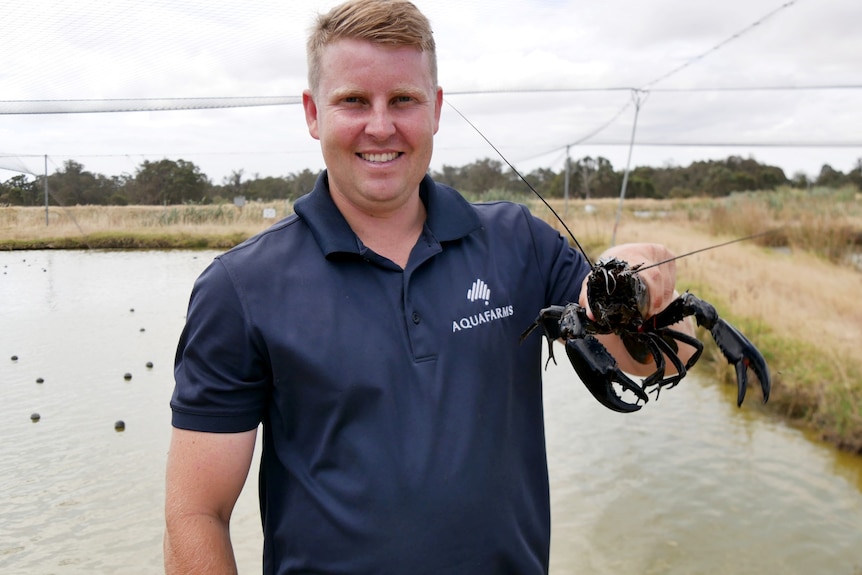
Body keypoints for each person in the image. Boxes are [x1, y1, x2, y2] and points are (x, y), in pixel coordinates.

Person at [163, 1, 694, 573]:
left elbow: (660, 360)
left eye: (404, 100)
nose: (381, 125)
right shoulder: (240, 288)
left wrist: (639, 286)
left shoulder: (521, 244)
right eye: (353, 101)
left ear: (436, 109)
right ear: (313, 113)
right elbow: (197, 512)